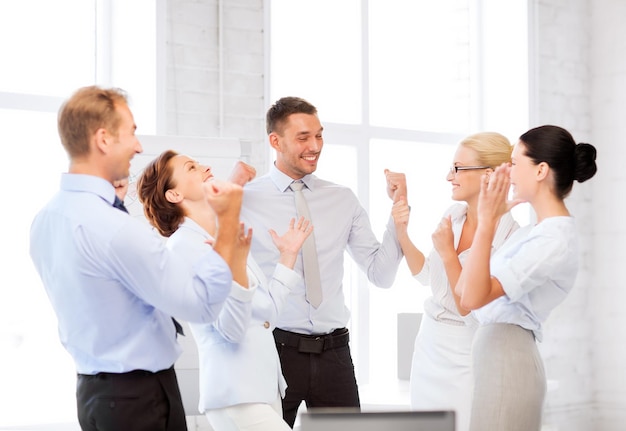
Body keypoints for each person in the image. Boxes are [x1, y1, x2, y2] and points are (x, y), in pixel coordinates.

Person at [29, 86, 246, 431]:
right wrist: (229, 221)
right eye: (131, 132)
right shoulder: (113, 228)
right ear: (103, 139)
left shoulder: (46, 219)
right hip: (139, 401)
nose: (139, 145)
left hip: (93, 395)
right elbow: (202, 305)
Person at [239, 96, 407, 427]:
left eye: (319, 135)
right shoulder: (246, 199)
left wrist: (398, 213)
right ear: (275, 141)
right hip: (275, 350)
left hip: (334, 354)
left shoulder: (342, 199)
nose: (315, 145)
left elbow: (381, 273)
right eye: (303, 137)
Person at [137, 150, 313, 431]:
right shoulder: (183, 246)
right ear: (174, 195)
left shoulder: (225, 237)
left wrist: (288, 257)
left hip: (263, 390)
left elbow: (267, 316)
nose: (205, 166)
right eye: (191, 168)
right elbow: (231, 329)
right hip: (236, 395)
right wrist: (236, 267)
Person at [454, 125, 597, 431]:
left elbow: (473, 297)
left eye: (515, 163)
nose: (508, 172)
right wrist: (487, 222)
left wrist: (487, 222)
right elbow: (464, 288)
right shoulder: (535, 233)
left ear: (541, 170)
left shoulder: (554, 241)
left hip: (508, 357)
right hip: (497, 355)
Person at [391, 132, 519, 431]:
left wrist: (449, 253)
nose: (449, 176)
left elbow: (470, 307)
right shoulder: (454, 216)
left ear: (489, 175)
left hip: (468, 352)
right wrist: (402, 231)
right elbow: (426, 276)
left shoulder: (510, 237)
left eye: (458, 168)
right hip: (430, 345)